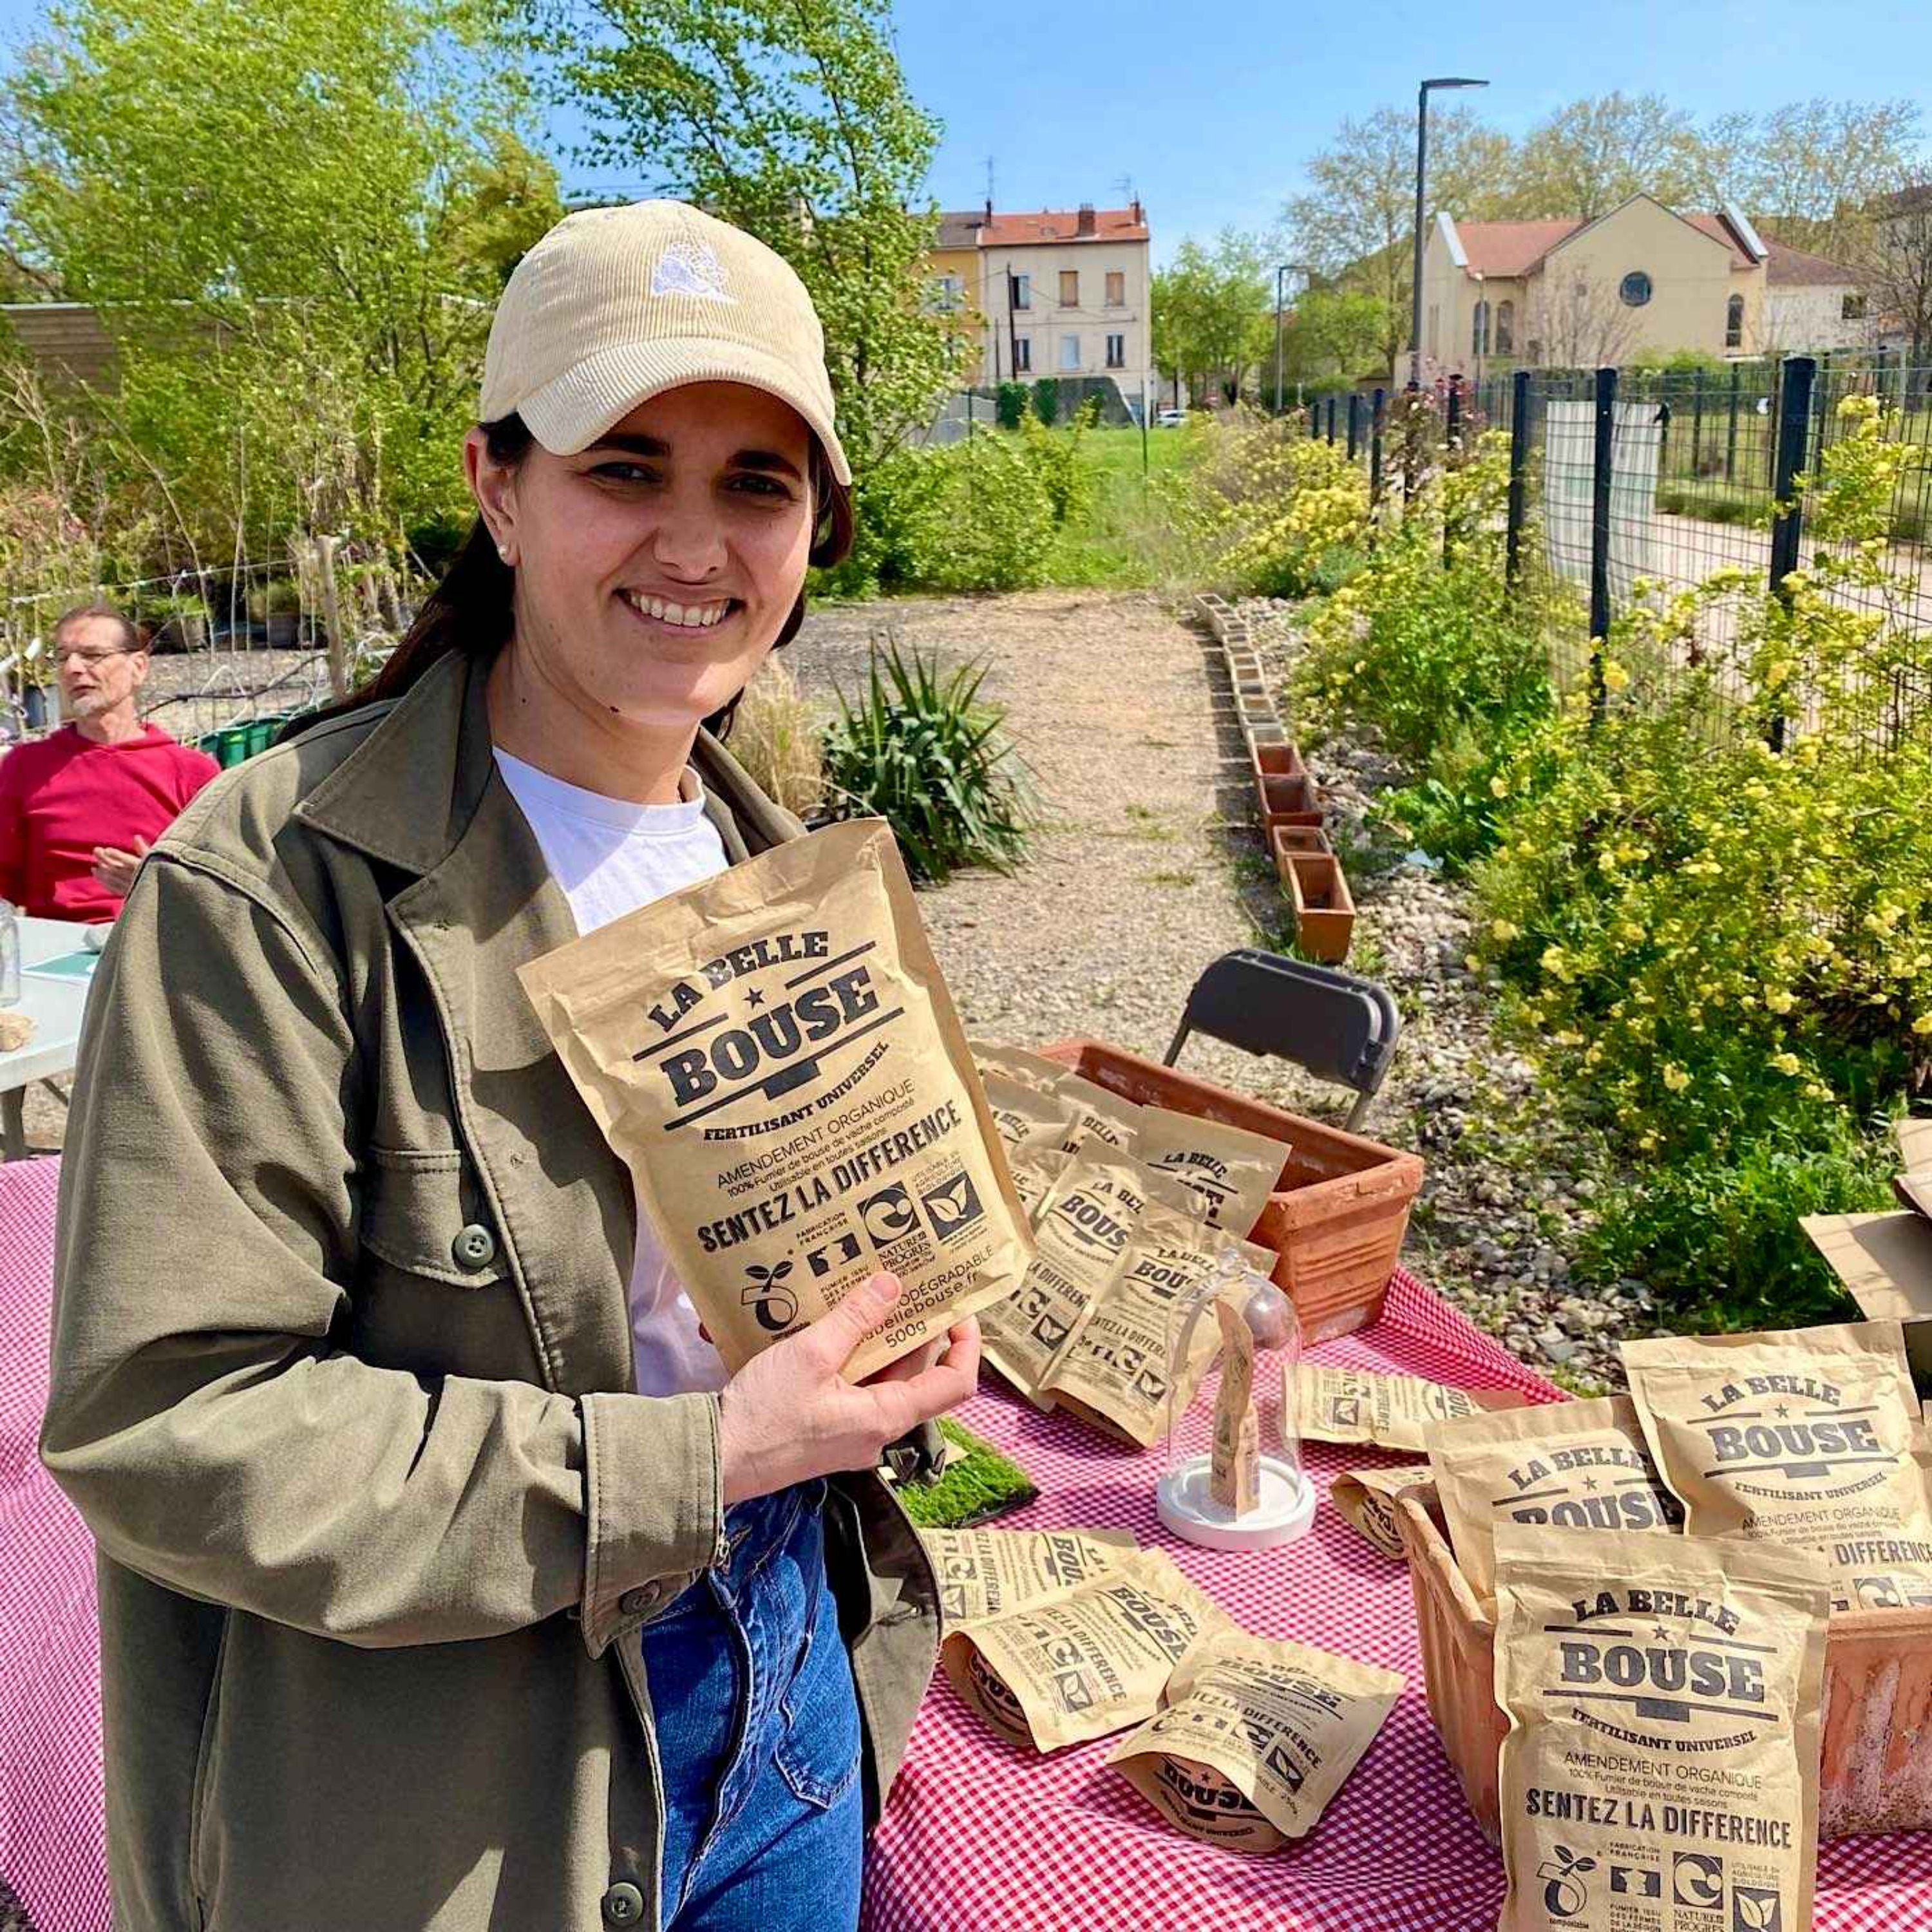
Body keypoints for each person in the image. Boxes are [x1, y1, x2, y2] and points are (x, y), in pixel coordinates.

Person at [41, 200, 978, 1932]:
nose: (694, 542)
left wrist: (884, 1327)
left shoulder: (781, 872)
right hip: (454, 1783)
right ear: (497, 486)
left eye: (755, 485)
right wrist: (690, 1462)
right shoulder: (270, 883)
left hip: (782, 1685)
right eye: (627, 466)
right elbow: (162, 1424)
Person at [0, 603, 219, 920]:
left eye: (92, 655)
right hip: (56, 953)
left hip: (158, 943)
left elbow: (229, 893)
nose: (72, 668)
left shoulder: (192, 773)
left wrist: (156, 885)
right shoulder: (25, 768)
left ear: (138, 668)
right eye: (62, 657)